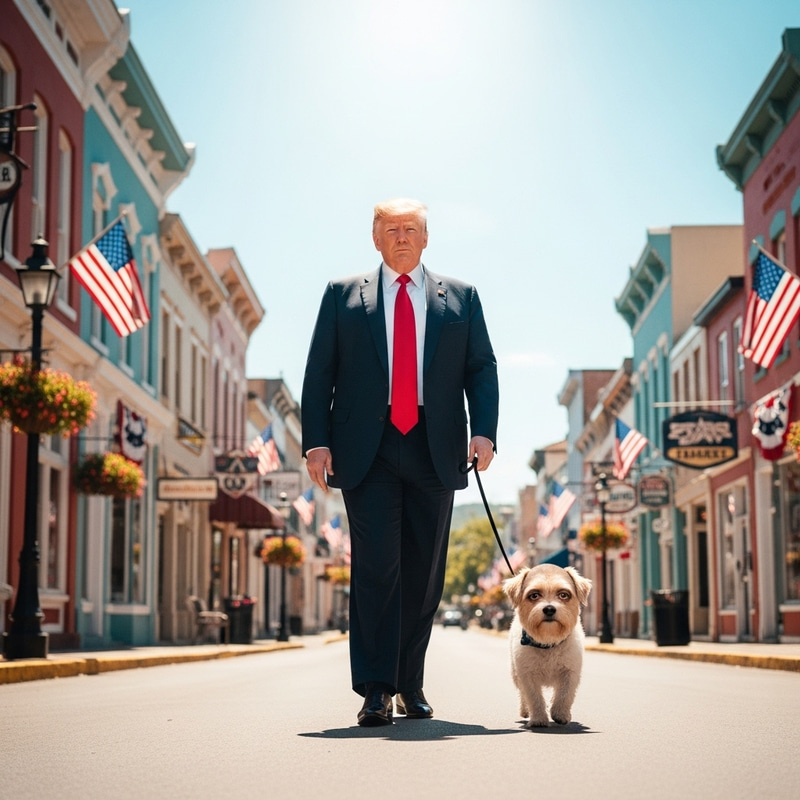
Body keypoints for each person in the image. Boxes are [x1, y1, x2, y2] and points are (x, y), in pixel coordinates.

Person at [301, 198, 499, 726]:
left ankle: (411, 683)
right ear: (376, 238)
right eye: (392, 229)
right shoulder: (343, 296)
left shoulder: (461, 296)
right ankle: (375, 688)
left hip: (436, 446)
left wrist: (483, 431)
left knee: (424, 575)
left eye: (412, 228)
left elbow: (481, 367)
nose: (402, 237)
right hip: (367, 447)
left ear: (426, 238)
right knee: (375, 569)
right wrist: (315, 441)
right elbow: (320, 370)